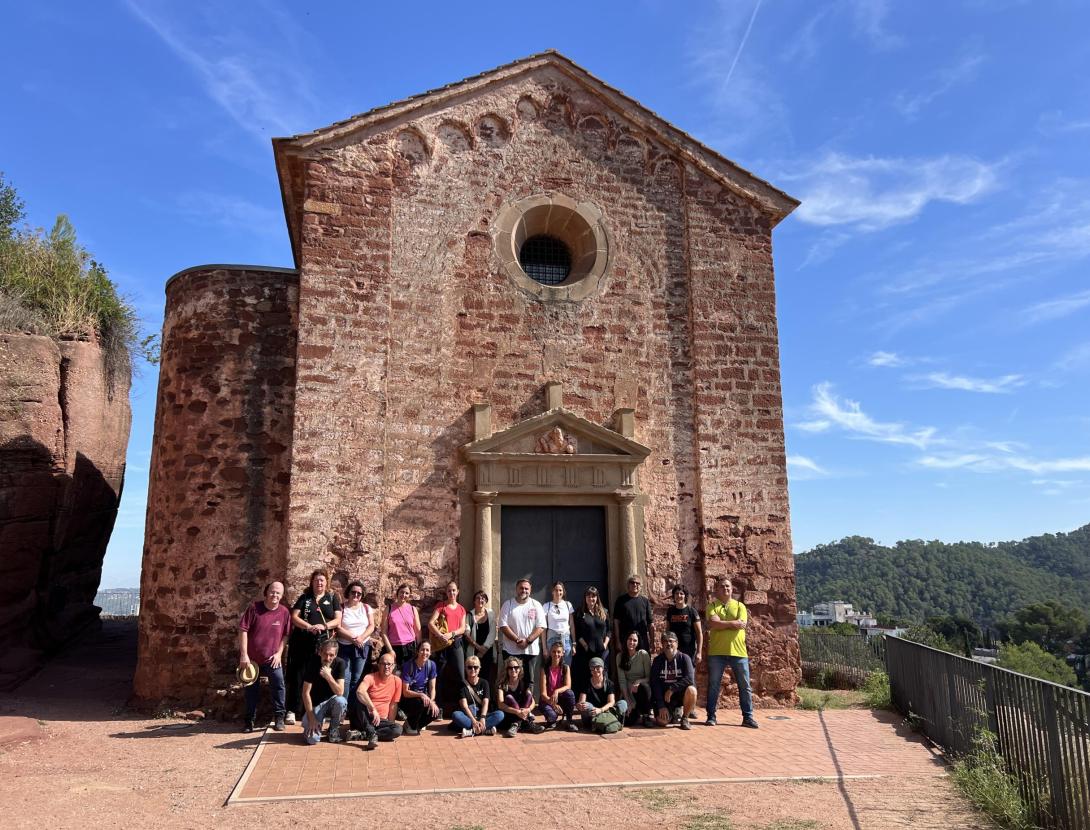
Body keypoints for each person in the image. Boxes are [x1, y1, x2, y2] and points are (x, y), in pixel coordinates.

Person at [285, 570, 342, 724]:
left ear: (326, 582)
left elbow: (337, 620)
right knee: (298, 674)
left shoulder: (332, 598)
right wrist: (309, 626)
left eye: (322, 580)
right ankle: (292, 710)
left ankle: (318, 708)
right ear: (312, 582)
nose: (319, 583)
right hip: (302, 642)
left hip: (322, 644)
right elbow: (294, 617)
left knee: (320, 675)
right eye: (317, 580)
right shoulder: (305, 598)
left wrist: (323, 626)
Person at [238, 581, 291, 732]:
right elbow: (243, 630)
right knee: (250, 690)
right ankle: (249, 721)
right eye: (272, 592)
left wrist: (279, 654)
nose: (275, 595)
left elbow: (286, 635)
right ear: (266, 592)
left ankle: (279, 718)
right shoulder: (254, 608)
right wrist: (244, 655)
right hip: (252, 660)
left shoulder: (284, 612)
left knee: (279, 684)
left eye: (278, 593)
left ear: (282, 596)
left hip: (272, 658)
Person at [705, 577, 757, 728]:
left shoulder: (740, 606)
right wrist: (732, 623)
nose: (725, 589)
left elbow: (742, 624)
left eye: (728, 586)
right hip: (717, 652)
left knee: (745, 686)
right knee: (714, 685)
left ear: (732, 589)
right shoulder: (712, 606)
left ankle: (748, 717)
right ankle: (711, 716)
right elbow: (713, 623)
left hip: (739, 652)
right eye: (722, 587)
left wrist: (722, 624)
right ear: (717, 589)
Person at [498, 578, 546, 696]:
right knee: (510, 678)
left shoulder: (536, 605)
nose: (523, 590)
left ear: (530, 590)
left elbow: (541, 626)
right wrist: (517, 640)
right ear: (516, 589)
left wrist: (528, 641)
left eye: (526, 588)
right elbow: (503, 625)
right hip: (510, 650)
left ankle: (527, 707)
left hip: (530, 651)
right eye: (521, 588)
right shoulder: (508, 604)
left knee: (529, 680)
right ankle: (510, 706)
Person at [353, 652, 404, 749]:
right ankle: (371, 733)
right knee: (359, 700)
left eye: (389, 664)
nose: (386, 667)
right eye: (383, 664)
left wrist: (390, 723)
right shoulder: (370, 677)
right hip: (365, 718)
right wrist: (372, 709)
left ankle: (364, 734)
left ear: (394, 666)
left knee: (397, 729)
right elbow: (360, 691)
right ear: (378, 665)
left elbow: (393, 704)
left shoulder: (397, 681)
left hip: (381, 721)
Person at [301, 638, 347, 744]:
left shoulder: (340, 663)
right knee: (312, 740)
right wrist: (311, 718)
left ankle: (333, 729)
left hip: (332, 701)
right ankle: (313, 724)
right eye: (325, 654)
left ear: (335, 655)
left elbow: (340, 692)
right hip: (315, 705)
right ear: (320, 652)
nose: (327, 658)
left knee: (341, 701)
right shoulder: (313, 662)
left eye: (331, 655)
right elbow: (305, 692)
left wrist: (328, 676)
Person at [336, 580, 375, 704]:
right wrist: (352, 638)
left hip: (362, 646)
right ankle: (343, 706)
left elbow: (371, 626)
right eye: (354, 592)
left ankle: (352, 709)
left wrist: (361, 638)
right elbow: (338, 627)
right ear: (348, 592)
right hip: (344, 646)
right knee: (345, 678)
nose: (356, 595)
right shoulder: (341, 607)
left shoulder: (366, 608)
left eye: (359, 593)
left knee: (357, 678)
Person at [650, 631, 697, 730]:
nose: (668, 644)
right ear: (662, 644)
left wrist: (672, 689)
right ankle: (673, 714)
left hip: (678, 695)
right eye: (665, 642)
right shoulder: (657, 661)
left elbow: (690, 679)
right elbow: (655, 683)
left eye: (671, 641)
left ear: (677, 643)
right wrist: (661, 705)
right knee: (662, 722)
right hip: (665, 698)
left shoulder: (684, 658)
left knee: (692, 690)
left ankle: (684, 718)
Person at [429, 580, 468, 694]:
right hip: (442, 644)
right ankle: (439, 704)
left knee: (460, 674)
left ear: (458, 592)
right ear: (446, 592)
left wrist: (451, 634)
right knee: (440, 673)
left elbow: (462, 628)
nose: (452, 593)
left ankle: (460, 702)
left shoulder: (461, 609)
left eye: (454, 590)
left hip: (456, 643)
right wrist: (440, 635)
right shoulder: (441, 606)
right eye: (449, 590)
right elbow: (431, 623)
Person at [451, 655, 503, 738]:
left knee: (500, 714)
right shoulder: (462, 684)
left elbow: (486, 702)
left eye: (475, 667)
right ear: (465, 668)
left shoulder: (484, 683)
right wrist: (474, 721)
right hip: (468, 716)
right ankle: (484, 730)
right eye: (469, 667)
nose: (473, 670)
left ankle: (471, 731)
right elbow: (464, 706)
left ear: (479, 668)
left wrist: (482, 718)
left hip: (482, 715)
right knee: (456, 715)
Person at [573, 586, 610, 693]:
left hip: (602, 650)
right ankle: (586, 698)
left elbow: (609, 630)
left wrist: (605, 643)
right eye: (588, 596)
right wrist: (585, 646)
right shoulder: (580, 613)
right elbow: (577, 632)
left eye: (593, 596)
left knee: (603, 673)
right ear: (585, 598)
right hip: (586, 651)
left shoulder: (604, 612)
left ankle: (604, 697)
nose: (591, 598)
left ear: (597, 597)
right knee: (586, 674)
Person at [399, 640, 440, 735]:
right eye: (422, 650)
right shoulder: (408, 666)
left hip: (423, 698)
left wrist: (432, 701)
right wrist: (421, 694)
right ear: (417, 651)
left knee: (435, 712)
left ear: (430, 652)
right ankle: (411, 724)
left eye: (427, 650)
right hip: (407, 699)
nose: (424, 653)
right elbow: (405, 692)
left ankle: (415, 725)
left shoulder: (431, 665)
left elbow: (432, 687)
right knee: (420, 702)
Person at [497, 657, 544, 737]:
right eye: (510, 668)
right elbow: (500, 705)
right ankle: (528, 724)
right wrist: (516, 711)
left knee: (529, 695)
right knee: (509, 697)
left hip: (522, 713)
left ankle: (516, 725)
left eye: (516, 667)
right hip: (509, 714)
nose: (513, 670)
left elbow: (532, 701)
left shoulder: (523, 683)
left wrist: (527, 710)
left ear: (519, 669)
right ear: (507, 670)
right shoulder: (502, 685)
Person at [577, 656, 626, 731]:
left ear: (603, 669)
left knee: (623, 703)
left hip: (605, 711)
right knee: (586, 705)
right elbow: (581, 701)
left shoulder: (609, 683)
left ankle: (611, 722)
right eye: (592, 668)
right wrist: (580, 705)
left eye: (598, 667)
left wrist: (600, 710)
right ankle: (599, 723)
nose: (595, 670)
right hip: (592, 713)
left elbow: (611, 702)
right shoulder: (586, 683)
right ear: (590, 670)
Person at [538, 641, 577, 731]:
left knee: (570, 693)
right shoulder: (544, 669)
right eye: (554, 651)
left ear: (563, 653)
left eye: (559, 652)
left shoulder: (565, 668)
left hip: (560, 698)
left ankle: (569, 721)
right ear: (550, 653)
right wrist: (554, 705)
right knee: (552, 717)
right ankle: (552, 720)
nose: (556, 654)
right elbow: (543, 694)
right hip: (547, 700)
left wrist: (557, 691)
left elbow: (568, 686)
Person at [616, 630, 653, 727]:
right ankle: (636, 713)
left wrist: (639, 681)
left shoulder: (643, 654)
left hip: (641, 689)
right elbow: (622, 681)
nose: (632, 642)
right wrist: (628, 701)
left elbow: (649, 677)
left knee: (644, 687)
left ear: (638, 642)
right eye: (630, 639)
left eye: (635, 640)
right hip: (628, 691)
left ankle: (646, 715)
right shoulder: (620, 657)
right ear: (626, 640)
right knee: (628, 722)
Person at [383, 583, 421, 669]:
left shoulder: (412, 609)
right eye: (401, 592)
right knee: (394, 674)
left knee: (408, 675)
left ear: (409, 595)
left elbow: (418, 632)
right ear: (397, 593)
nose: (404, 595)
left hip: (410, 647)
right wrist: (390, 650)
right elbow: (384, 632)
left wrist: (418, 650)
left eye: (406, 593)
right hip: (394, 647)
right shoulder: (388, 609)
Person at [613, 574, 653, 654]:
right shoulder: (621, 601)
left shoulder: (645, 602)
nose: (635, 584)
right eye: (632, 582)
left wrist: (652, 641)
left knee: (643, 665)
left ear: (641, 586)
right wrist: (617, 641)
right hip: (626, 640)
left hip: (642, 641)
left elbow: (650, 623)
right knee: (626, 665)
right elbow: (616, 622)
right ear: (628, 585)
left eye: (637, 583)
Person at [464, 589, 497, 687]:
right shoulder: (469, 615)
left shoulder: (491, 614)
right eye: (478, 598)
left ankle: (486, 699)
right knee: (472, 675)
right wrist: (478, 648)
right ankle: (474, 698)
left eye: (483, 598)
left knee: (486, 676)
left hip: (487, 650)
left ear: (486, 601)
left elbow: (493, 632)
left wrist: (484, 648)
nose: (480, 600)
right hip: (474, 651)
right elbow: (466, 634)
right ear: (474, 601)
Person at [665, 584, 703, 665]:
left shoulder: (692, 611)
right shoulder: (670, 611)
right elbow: (667, 631)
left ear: (685, 596)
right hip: (673, 649)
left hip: (689, 650)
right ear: (673, 596)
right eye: (676, 593)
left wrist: (699, 652)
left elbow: (699, 633)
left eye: (681, 593)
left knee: (688, 675)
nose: (679, 595)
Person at [542, 581, 576, 666]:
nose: (558, 592)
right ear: (552, 591)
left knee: (566, 667)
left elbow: (571, 625)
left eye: (560, 590)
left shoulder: (568, 605)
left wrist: (574, 643)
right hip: (552, 640)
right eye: (556, 590)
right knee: (552, 667)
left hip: (566, 640)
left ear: (563, 591)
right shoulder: (546, 606)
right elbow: (543, 628)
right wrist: (544, 648)